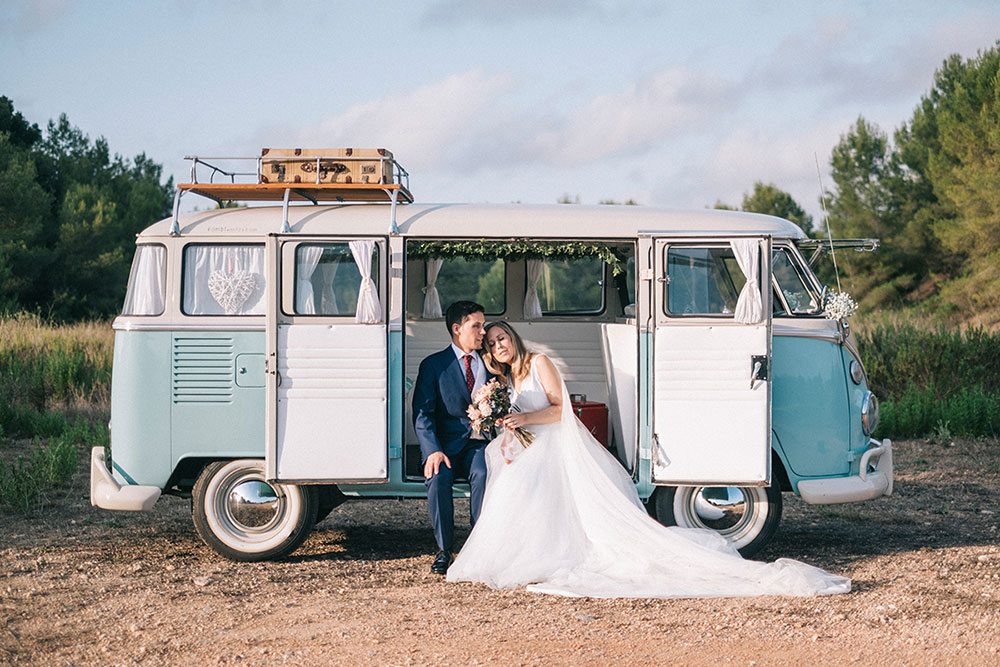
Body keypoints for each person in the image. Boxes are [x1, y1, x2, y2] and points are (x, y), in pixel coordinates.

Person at [446, 321, 851, 598]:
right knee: (512, 483)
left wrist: (525, 418)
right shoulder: (504, 379)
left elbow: (560, 410)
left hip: (554, 443)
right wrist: (506, 428)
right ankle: (521, 553)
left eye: (503, 337)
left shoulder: (538, 364)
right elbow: (514, 420)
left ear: (513, 338)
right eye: (492, 342)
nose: (499, 344)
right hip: (529, 446)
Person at [412, 301, 494, 574]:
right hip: (444, 446)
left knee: (484, 474)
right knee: (438, 477)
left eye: (483, 325)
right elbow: (423, 413)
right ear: (457, 329)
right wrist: (432, 450)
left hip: (479, 445)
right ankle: (444, 550)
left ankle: (479, 547)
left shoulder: (491, 363)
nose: (484, 332)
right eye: (477, 326)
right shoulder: (434, 365)